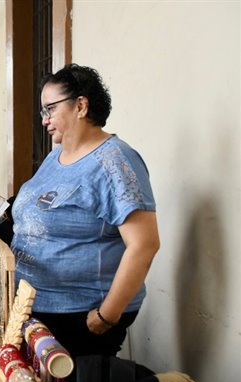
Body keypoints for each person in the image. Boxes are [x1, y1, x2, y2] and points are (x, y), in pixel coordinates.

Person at [11, 64, 160, 358]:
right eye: (43, 112)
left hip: (80, 314)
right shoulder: (56, 157)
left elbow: (145, 244)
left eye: (50, 109)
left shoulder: (115, 161)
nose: (45, 120)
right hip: (36, 307)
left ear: (81, 105)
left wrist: (106, 316)